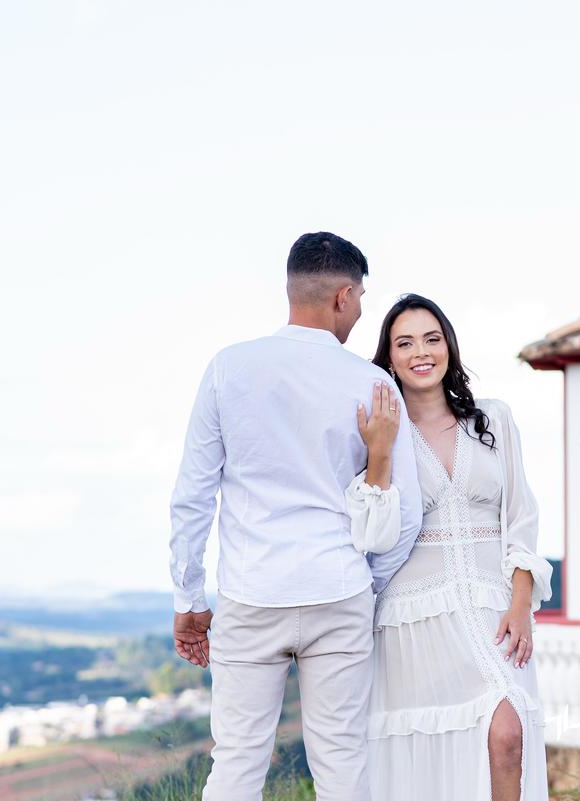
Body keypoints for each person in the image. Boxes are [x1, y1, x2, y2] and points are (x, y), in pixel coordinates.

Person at [168, 232, 423, 801]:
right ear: (343, 296)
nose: (359, 312)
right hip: (340, 590)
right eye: (360, 299)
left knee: (235, 763)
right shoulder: (373, 383)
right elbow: (405, 512)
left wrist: (189, 599)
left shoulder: (228, 368)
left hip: (252, 592)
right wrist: (366, 584)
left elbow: (192, 495)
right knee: (342, 765)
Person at [361, 293, 552, 800]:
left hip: (493, 608)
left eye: (431, 338)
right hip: (413, 620)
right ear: (389, 358)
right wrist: (379, 452)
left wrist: (521, 602)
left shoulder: (493, 420)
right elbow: (372, 536)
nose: (421, 351)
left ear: (448, 346)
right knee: (427, 758)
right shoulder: (383, 434)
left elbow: (522, 518)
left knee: (508, 732)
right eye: (405, 342)